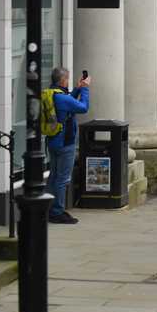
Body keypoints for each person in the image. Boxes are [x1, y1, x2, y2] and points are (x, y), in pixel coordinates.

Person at [43, 68, 89, 224]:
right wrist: (85, 90)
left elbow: (69, 103)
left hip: (53, 142)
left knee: (53, 176)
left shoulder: (52, 93)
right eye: (67, 79)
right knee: (62, 179)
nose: (68, 82)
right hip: (65, 143)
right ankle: (57, 212)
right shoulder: (62, 98)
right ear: (62, 81)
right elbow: (83, 107)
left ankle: (47, 209)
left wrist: (77, 88)